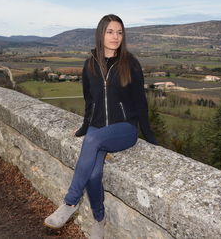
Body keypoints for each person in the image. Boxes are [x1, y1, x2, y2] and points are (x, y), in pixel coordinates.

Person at [44, 14, 158, 239]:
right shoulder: (90, 64)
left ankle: (70, 203)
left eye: (120, 32)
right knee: (94, 175)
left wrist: (151, 137)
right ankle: (99, 219)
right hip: (97, 126)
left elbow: (140, 103)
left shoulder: (130, 63)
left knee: (92, 141)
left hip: (124, 128)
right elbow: (90, 100)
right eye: (110, 32)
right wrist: (84, 127)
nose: (116, 37)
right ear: (100, 34)